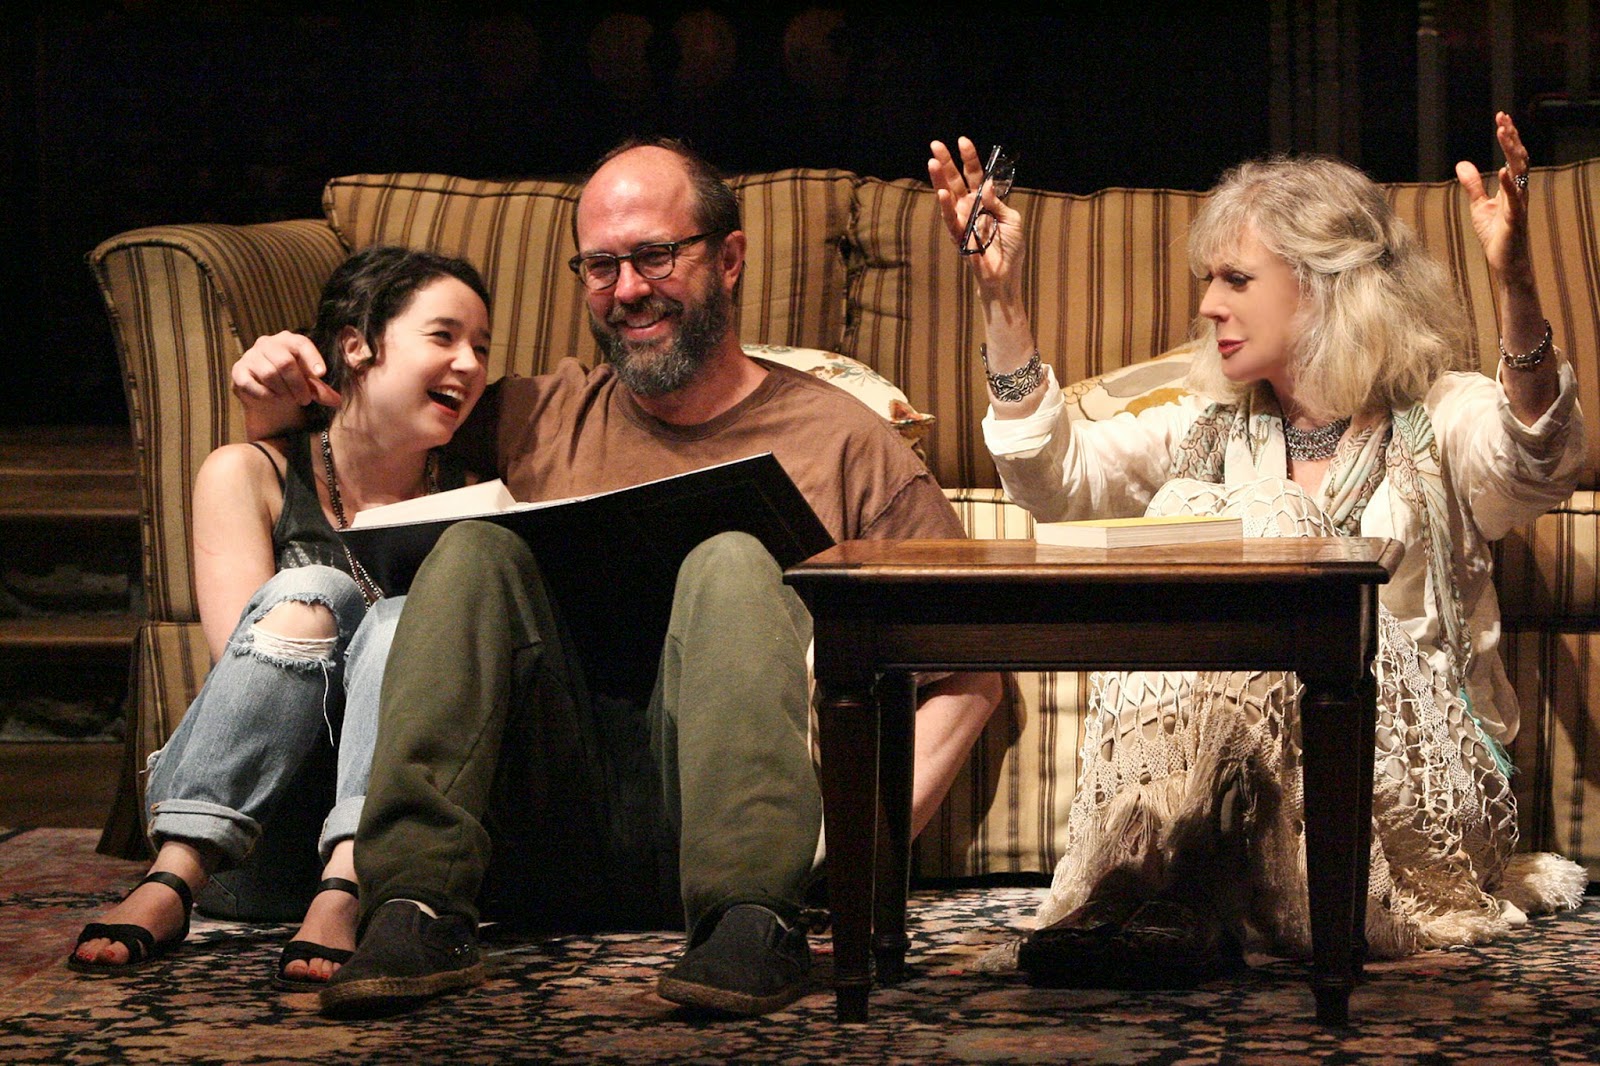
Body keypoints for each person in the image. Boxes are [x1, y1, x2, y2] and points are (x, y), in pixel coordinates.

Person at [229, 137, 1003, 1018]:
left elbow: (969, 662)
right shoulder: (532, 413)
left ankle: (754, 919)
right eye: (602, 266)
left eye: (656, 256)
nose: (628, 289)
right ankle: (413, 905)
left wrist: (845, 849)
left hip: (738, 837)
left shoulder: (842, 440)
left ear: (730, 259)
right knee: (473, 550)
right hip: (534, 820)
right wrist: (271, 405)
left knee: (733, 560)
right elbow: (355, 458)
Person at [928, 113, 1588, 987]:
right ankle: (1153, 894)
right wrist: (1000, 300)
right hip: (1246, 790)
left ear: (1325, 287)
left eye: (1236, 279)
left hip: (1412, 800)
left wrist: (1515, 282)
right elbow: (1057, 482)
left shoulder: (1441, 416)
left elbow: (1537, 458)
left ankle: (1184, 895)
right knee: (1192, 514)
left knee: (1268, 522)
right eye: (1210, 280)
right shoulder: (1208, 426)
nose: (1208, 306)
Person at [68, 246, 492, 989]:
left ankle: (347, 883)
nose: (469, 364)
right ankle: (172, 875)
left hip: (399, 852)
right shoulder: (249, 473)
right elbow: (244, 677)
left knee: (404, 620)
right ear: (356, 345)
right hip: (253, 833)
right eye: (444, 336)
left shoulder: (480, 498)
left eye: (482, 348)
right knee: (316, 591)